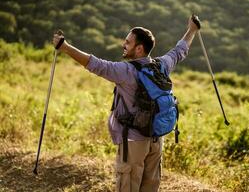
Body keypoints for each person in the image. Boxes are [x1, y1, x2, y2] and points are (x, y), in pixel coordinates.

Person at [53, 15, 200, 192]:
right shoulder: (162, 65)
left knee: (128, 187)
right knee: (150, 187)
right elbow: (180, 51)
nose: (124, 45)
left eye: (128, 42)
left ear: (139, 48)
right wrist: (192, 30)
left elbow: (95, 64)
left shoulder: (126, 71)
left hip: (133, 141)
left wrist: (65, 47)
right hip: (156, 138)